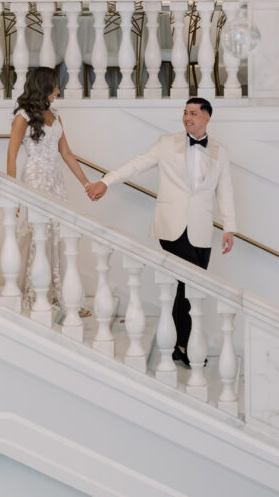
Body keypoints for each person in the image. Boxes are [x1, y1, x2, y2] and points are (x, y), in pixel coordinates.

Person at [86, 96, 236, 367]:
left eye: (193, 113)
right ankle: (187, 346)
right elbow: (136, 164)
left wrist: (229, 227)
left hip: (201, 229)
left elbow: (225, 190)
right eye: (185, 112)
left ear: (207, 117)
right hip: (171, 227)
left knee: (187, 286)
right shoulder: (167, 143)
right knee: (192, 283)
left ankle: (179, 344)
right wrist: (106, 182)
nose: (187, 117)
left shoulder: (220, 152)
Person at [7, 66, 92, 316]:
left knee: (58, 235)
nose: (58, 91)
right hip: (35, 179)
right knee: (39, 235)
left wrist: (86, 183)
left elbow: (66, 153)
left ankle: (62, 296)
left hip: (56, 180)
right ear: (42, 86)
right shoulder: (22, 116)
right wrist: (13, 194)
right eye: (54, 86)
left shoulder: (56, 115)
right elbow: (11, 156)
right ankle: (38, 295)